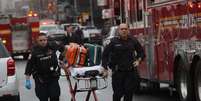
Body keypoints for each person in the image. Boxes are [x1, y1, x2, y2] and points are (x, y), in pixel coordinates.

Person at [101, 23, 145, 101]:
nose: (124, 30)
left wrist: (138, 60)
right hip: (118, 73)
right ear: (119, 31)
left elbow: (141, 52)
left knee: (129, 94)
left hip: (130, 73)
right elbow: (105, 55)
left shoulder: (133, 40)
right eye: (122, 29)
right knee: (118, 94)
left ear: (128, 30)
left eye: (125, 29)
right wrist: (105, 68)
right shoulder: (113, 41)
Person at [24, 33, 63, 101]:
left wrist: (62, 60)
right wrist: (27, 80)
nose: (43, 42)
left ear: (47, 40)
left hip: (53, 77)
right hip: (40, 79)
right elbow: (29, 66)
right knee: (43, 98)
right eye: (41, 40)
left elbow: (64, 50)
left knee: (55, 97)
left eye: (44, 40)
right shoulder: (34, 51)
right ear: (37, 41)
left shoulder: (52, 46)